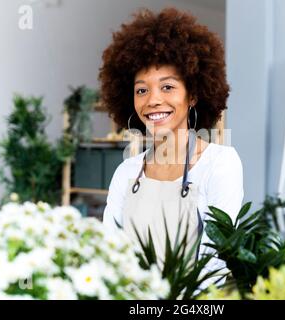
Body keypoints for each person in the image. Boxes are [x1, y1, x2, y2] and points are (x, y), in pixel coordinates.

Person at [99, 7, 243, 288]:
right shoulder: (127, 171)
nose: (152, 100)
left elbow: (214, 262)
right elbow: (109, 252)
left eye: (167, 87)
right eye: (142, 90)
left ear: (193, 95)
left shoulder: (220, 163)